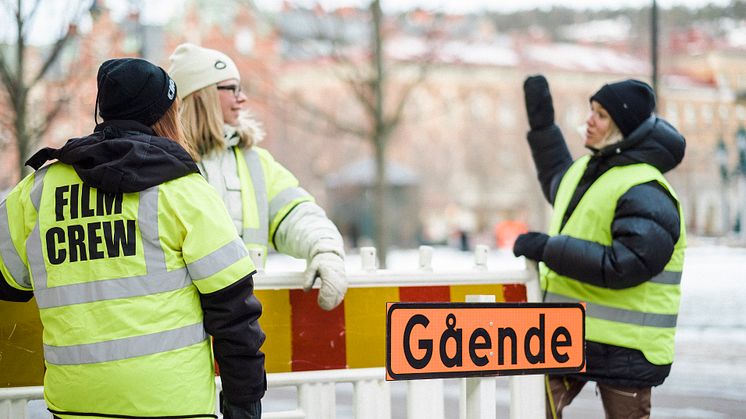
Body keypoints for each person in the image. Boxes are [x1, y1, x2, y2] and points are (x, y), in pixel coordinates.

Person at [0, 58, 264, 419]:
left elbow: (10, 282)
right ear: (165, 116)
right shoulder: (183, 190)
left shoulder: (40, 189)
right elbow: (234, 312)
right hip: (171, 404)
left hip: (76, 404)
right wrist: (244, 404)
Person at [513, 76, 686, 419]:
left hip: (626, 347)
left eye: (603, 114)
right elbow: (557, 179)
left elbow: (626, 264)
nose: (590, 119)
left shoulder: (645, 188)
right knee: (531, 411)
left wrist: (548, 249)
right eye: (592, 110)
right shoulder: (587, 172)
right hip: (566, 337)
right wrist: (543, 125)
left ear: (626, 127)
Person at [168, 43, 347, 311]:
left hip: (239, 322)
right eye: (232, 89)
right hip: (181, 323)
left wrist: (325, 248)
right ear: (200, 95)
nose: (242, 99)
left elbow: (297, 214)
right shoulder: (164, 163)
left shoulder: (255, 162)